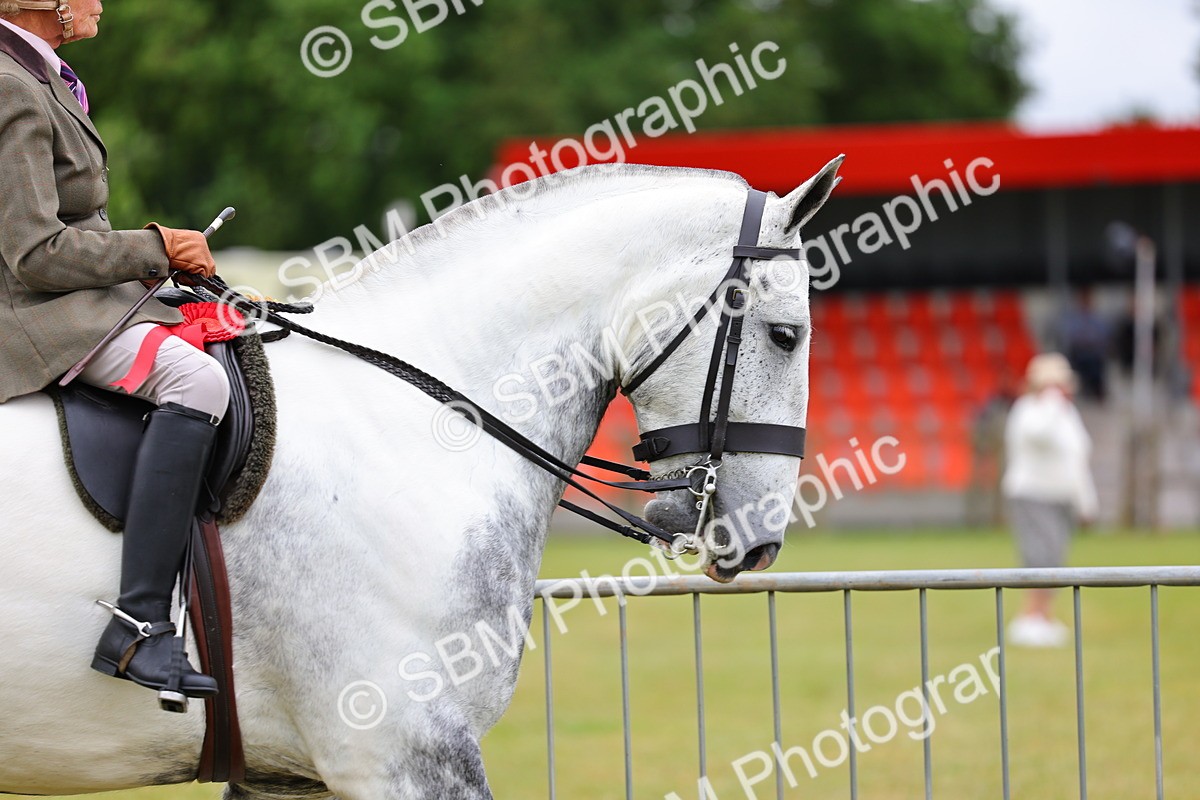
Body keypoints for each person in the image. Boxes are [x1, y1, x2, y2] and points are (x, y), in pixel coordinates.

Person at [0, 1, 227, 698]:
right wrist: (154, 247)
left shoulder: (36, 77)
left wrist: (155, 262)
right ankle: (139, 625)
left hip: (72, 297)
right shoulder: (9, 86)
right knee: (196, 382)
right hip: (32, 316)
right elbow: (34, 253)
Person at [1001, 353, 1098, 647]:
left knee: (1055, 557)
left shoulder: (1067, 414)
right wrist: (1052, 402)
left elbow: (1077, 458)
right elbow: (1037, 435)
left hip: (1060, 497)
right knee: (1039, 557)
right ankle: (1030, 617)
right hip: (1032, 494)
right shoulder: (1028, 410)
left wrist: (1086, 502)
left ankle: (1043, 616)